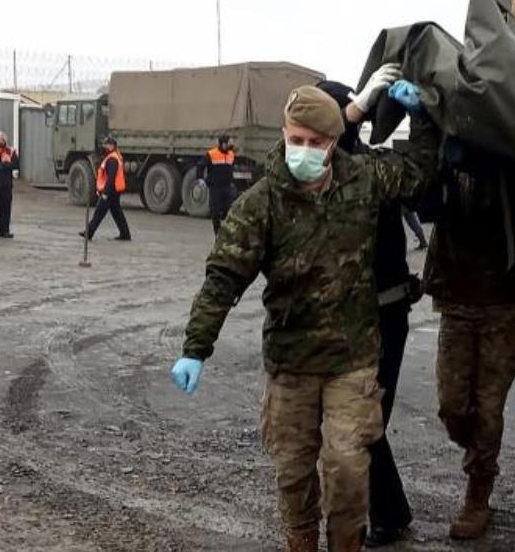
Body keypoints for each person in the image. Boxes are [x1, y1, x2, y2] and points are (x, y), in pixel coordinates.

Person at [170, 70, 437, 552]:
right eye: (296, 139)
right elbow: (223, 278)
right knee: (294, 471)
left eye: (315, 141)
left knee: (349, 468)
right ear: (284, 134)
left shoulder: (364, 179)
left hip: (351, 361)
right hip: (291, 362)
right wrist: (196, 348)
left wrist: (420, 119)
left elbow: (418, 173)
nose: (304, 150)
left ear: (334, 142)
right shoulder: (262, 204)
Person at [315, 79, 417, 548]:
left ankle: (389, 513)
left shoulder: (372, 169)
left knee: (364, 418)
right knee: (359, 418)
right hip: (345, 319)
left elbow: (420, 183)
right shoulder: (315, 170)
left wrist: (424, 118)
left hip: (385, 314)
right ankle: (391, 510)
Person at [423, 138, 515, 541]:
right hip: (455, 296)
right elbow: (422, 203)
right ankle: (479, 451)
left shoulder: (514, 163)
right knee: (453, 405)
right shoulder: (446, 158)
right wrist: (443, 162)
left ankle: (478, 491)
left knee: (488, 406)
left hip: (502, 300)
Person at [79, 136, 132, 241]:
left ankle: (89, 232)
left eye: (106, 144)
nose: (104, 146)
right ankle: (125, 234)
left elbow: (111, 178)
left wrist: (106, 193)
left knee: (99, 211)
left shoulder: (112, 159)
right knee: (117, 213)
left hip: (110, 191)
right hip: (114, 190)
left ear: (112, 146)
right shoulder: (113, 156)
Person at [198, 134, 237, 235]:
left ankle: (229, 234)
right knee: (215, 213)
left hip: (227, 187)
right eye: (230, 142)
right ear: (223, 144)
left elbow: (231, 168)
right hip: (215, 188)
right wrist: (200, 179)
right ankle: (218, 234)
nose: (231, 144)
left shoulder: (231, 154)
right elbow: (200, 165)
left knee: (230, 211)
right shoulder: (211, 154)